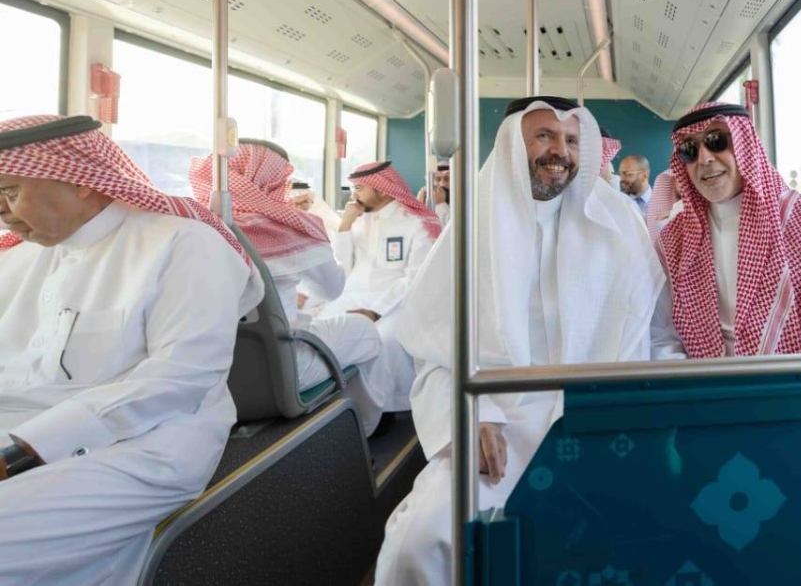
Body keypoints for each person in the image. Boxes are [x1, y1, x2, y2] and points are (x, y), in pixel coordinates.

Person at [373, 96, 672, 585]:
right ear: (514, 144)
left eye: (571, 140)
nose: (560, 151)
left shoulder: (617, 225)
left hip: (595, 421)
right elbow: (433, 355)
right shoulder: (471, 227)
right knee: (420, 540)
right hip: (497, 422)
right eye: (544, 136)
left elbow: (648, 335)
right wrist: (470, 415)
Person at [0, 115, 263, 584]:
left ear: (79, 179)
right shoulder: (16, 260)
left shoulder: (184, 243)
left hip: (147, 441)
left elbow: (180, 377)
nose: (2, 211)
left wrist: (21, 452)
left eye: (11, 191)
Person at [189, 141, 391, 434]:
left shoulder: (192, 228)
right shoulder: (289, 228)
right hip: (284, 367)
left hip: (207, 375)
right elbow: (331, 290)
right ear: (271, 180)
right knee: (366, 331)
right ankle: (362, 433)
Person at [657, 102, 801, 358]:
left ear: (746, 145)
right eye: (689, 149)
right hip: (698, 380)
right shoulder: (673, 240)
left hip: (790, 380)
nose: (705, 158)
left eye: (716, 141)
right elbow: (661, 337)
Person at [315, 161, 441, 411]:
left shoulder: (414, 223)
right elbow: (343, 265)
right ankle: (332, 407)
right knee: (321, 330)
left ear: (382, 190)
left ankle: (382, 409)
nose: (353, 195)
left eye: (359, 188)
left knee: (383, 340)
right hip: (352, 296)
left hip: (396, 303)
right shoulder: (358, 220)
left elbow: (415, 278)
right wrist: (345, 224)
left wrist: (375, 311)